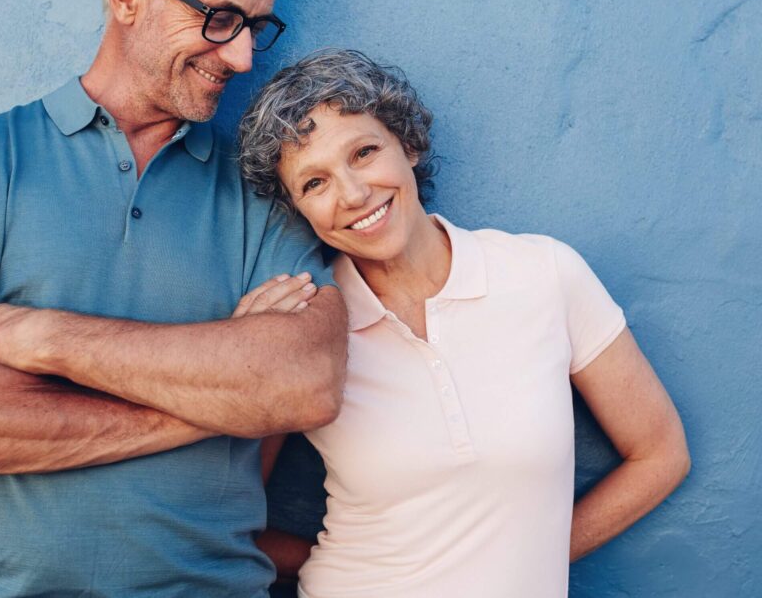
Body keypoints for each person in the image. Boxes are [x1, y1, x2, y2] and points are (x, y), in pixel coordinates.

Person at [0, 0, 349, 598]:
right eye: (221, 17)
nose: (245, 56)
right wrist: (209, 401)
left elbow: (304, 381)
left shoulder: (263, 182)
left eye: (257, 26)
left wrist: (50, 338)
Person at [236, 48, 691, 598]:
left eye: (364, 152)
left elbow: (661, 454)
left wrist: (523, 561)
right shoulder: (305, 323)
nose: (353, 194)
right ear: (298, 209)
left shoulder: (544, 273)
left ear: (407, 144)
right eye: (315, 183)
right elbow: (229, 520)